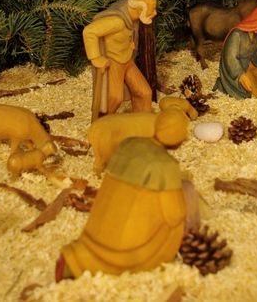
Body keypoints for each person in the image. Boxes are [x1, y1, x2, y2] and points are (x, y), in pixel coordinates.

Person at [56, 109, 194, 280]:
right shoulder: (166, 165)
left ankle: (77, 260)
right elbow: (174, 214)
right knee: (175, 226)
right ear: (176, 135)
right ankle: (145, 261)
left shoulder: (129, 144)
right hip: (128, 248)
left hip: (95, 233)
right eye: (184, 131)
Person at [83, 0, 157, 121]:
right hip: (114, 62)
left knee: (144, 93)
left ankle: (141, 124)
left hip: (127, 60)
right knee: (114, 98)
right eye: (152, 10)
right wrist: (95, 58)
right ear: (140, 9)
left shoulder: (132, 17)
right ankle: (103, 125)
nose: (155, 13)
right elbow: (89, 31)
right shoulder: (117, 21)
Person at [213, 5, 257, 99]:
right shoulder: (236, 35)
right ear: (256, 22)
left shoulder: (253, 34)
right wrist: (240, 75)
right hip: (235, 69)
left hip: (248, 65)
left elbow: (254, 51)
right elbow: (230, 58)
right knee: (249, 88)